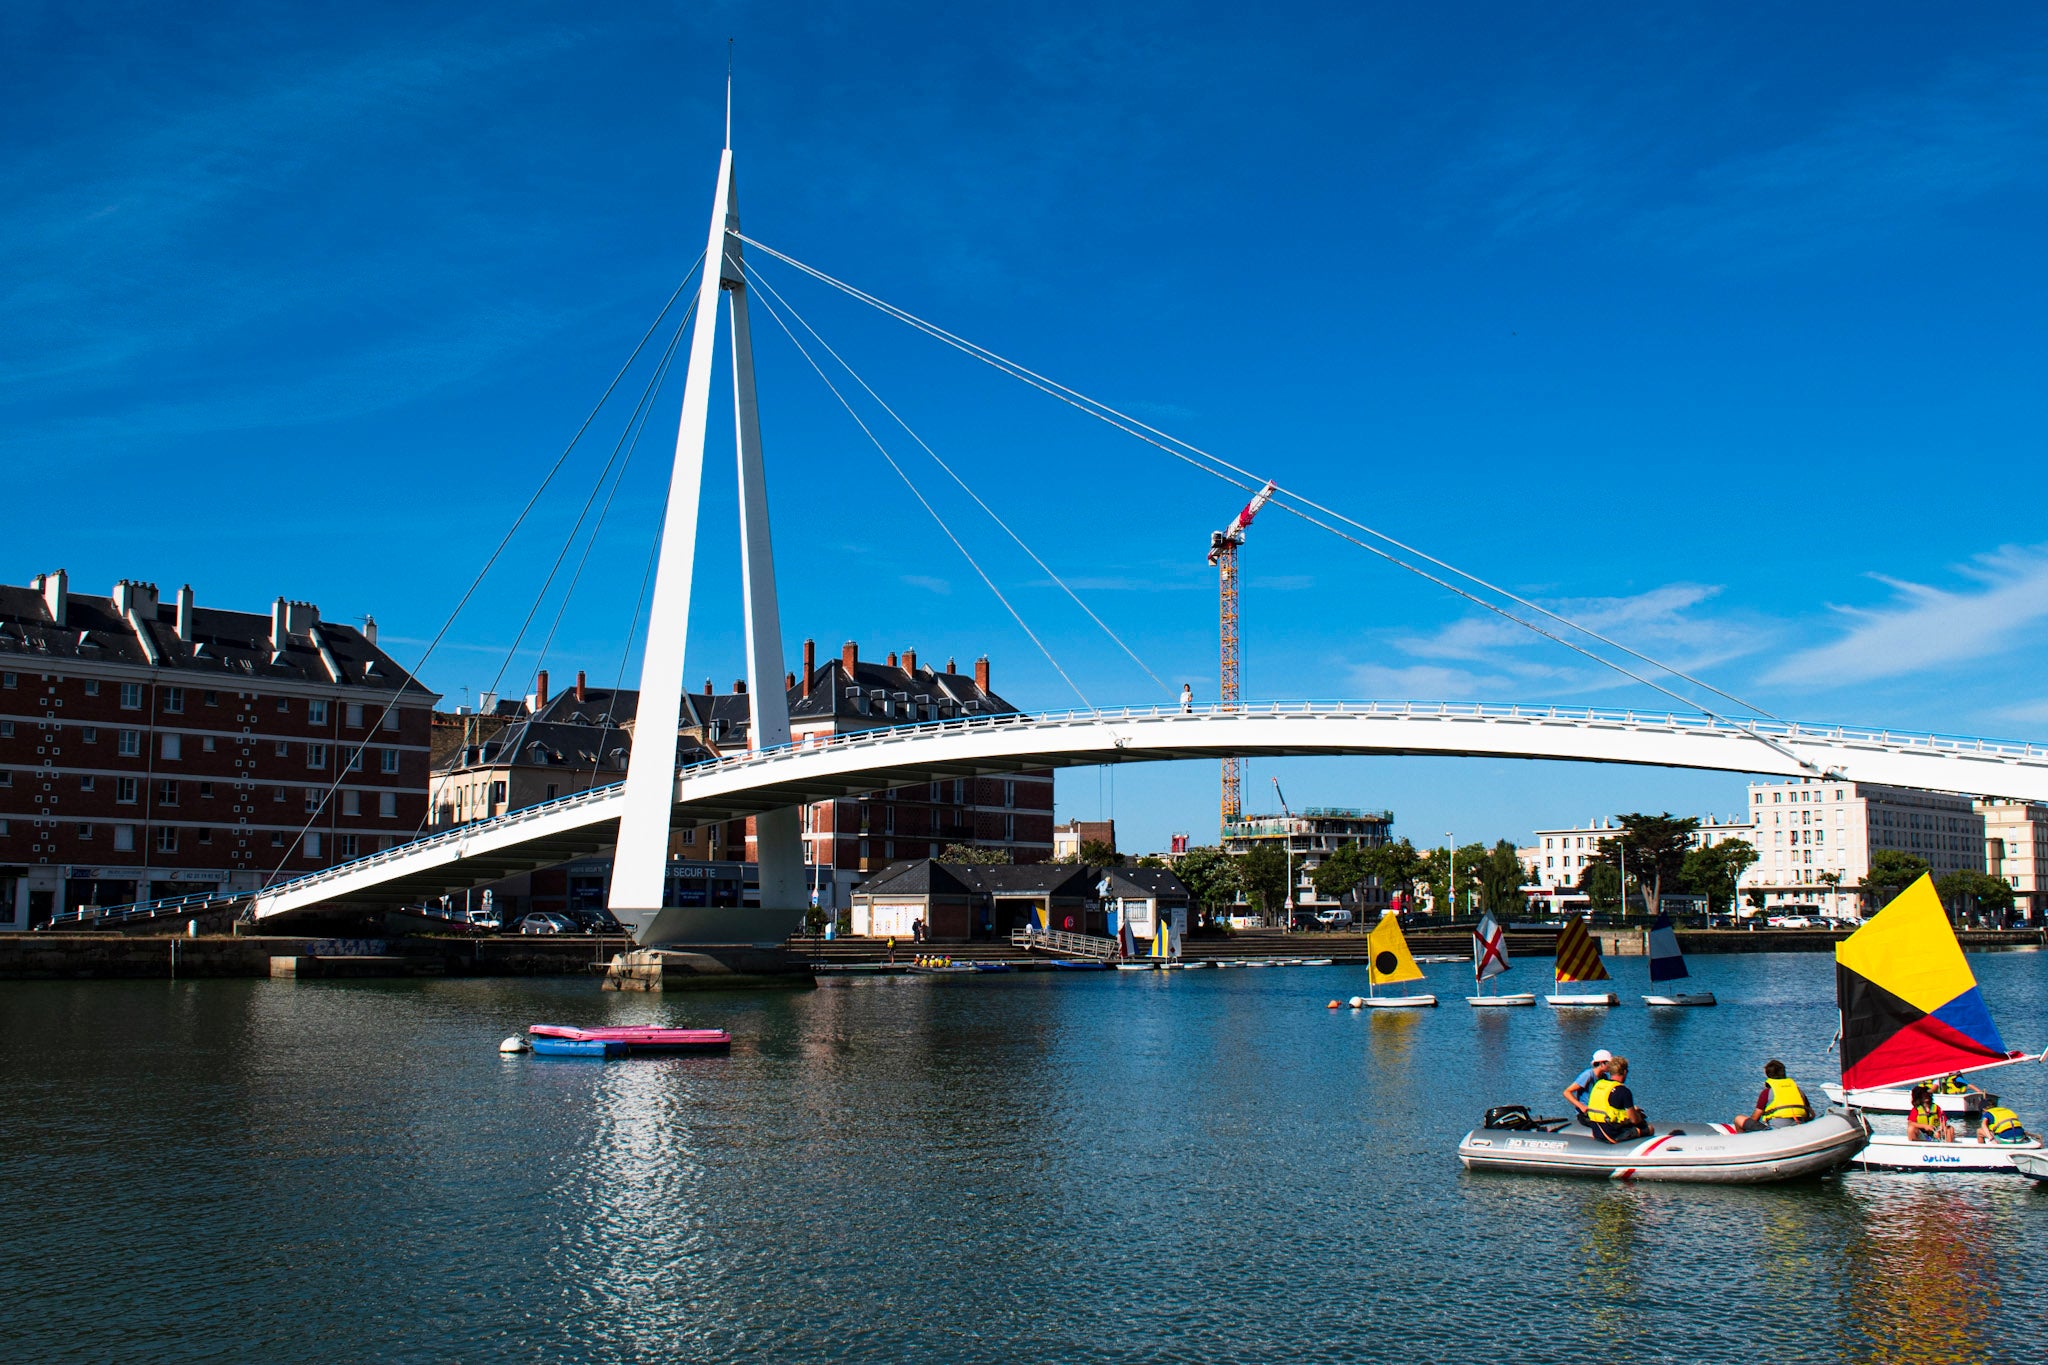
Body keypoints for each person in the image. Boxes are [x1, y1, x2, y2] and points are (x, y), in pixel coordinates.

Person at [1732, 1059, 1813, 1132]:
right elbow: (1812, 1114)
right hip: (1799, 1126)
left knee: (1738, 1119)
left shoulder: (1766, 1093)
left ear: (1768, 1075)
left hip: (1775, 1130)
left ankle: (1744, 1139)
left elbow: (1755, 1118)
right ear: (1784, 1073)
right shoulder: (1799, 1091)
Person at [1585, 1056, 1649, 1142]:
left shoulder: (1598, 1084)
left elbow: (1612, 1109)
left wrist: (1634, 1110)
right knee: (1649, 1129)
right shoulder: (1623, 1091)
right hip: (1612, 1135)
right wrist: (1639, 1116)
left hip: (1596, 1131)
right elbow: (1634, 1120)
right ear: (1625, 1072)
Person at [1564, 1049, 1614, 1125]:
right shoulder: (1588, 1075)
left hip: (1597, 1113)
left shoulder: (1604, 1077)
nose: (1611, 1066)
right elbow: (1567, 1092)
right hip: (1584, 1114)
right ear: (1601, 1063)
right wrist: (1581, 1106)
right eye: (1609, 1063)